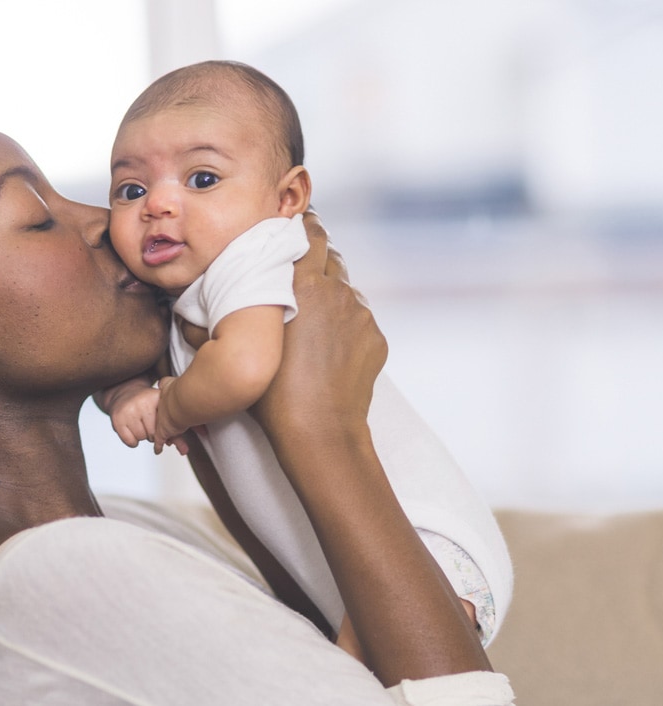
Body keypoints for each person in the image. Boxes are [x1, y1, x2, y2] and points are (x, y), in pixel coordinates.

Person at [0, 89, 515, 704]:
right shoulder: (64, 574)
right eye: (36, 215)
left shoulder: (91, 540)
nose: (104, 220)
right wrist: (324, 431)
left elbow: (341, 670)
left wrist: (244, 439)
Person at [94, 60, 512, 657]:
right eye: (131, 190)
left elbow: (241, 367)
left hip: (427, 542)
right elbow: (121, 363)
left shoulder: (256, 252)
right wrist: (122, 394)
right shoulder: (178, 292)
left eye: (202, 179)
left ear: (287, 197)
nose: (157, 204)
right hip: (343, 554)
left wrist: (165, 410)